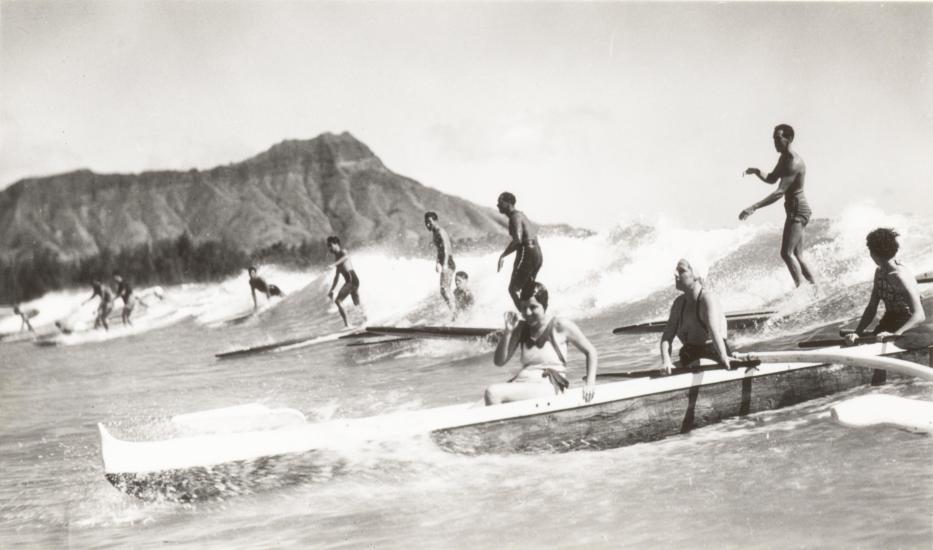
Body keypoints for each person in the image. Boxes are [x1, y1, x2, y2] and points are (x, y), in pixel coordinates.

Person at [485, 282, 597, 405]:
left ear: (544, 305)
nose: (527, 312)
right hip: (523, 383)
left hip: (549, 385)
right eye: (523, 308)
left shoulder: (560, 325)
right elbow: (499, 362)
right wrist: (508, 332)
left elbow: (591, 352)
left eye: (533, 307)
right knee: (480, 404)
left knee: (492, 393)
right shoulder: (521, 328)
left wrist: (590, 384)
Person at [739, 124, 817, 287]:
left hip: (797, 209)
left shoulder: (794, 162)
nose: (774, 142)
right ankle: (815, 289)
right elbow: (773, 178)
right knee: (797, 255)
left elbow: (779, 192)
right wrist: (757, 171)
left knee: (787, 253)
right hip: (797, 209)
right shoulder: (783, 158)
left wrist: (753, 207)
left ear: (788, 139)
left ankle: (802, 290)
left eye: (777, 138)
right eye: (773, 139)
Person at [846, 228, 925, 344]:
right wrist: (857, 333)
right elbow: (872, 307)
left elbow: (919, 315)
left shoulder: (899, 277)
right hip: (888, 321)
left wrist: (894, 335)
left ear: (874, 254)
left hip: (906, 326)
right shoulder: (880, 272)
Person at [659, 259, 733, 373]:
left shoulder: (707, 298)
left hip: (713, 353)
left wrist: (724, 356)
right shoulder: (678, 303)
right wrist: (666, 361)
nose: (676, 274)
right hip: (690, 355)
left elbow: (714, 332)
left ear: (695, 275)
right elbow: (666, 338)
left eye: (682, 270)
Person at [496, 192, 543, 309]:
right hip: (536, 253)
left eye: (500, 202)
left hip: (528, 252)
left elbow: (518, 240)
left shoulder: (515, 217)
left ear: (508, 203)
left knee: (513, 289)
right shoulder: (521, 215)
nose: (497, 205)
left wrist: (502, 255)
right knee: (527, 289)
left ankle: (525, 316)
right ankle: (536, 316)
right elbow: (523, 243)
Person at [326, 236, 364, 327]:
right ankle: (366, 321)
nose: (329, 248)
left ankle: (347, 325)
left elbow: (346, 256)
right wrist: (332, 290)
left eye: (330, 245)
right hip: (353, 280)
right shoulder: (336, 258)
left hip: (351, 279)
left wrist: (334, 264)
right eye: (328, 246)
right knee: (356, 303)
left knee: (338, 301)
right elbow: (337, 276)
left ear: (336, 244)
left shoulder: (343, 252)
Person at [424, 211, 456, 313]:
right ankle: (455, 312)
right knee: (444, 290)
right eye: (426, 222)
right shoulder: (435, 233)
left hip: (448, 262)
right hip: (444, 262)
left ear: (436, 221)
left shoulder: (440, 231)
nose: (427, 224)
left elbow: (446, 248)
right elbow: (439, 250)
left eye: (429, 221)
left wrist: (445, 264)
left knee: (445, 289)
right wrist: (437, 262)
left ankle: (455, 313)